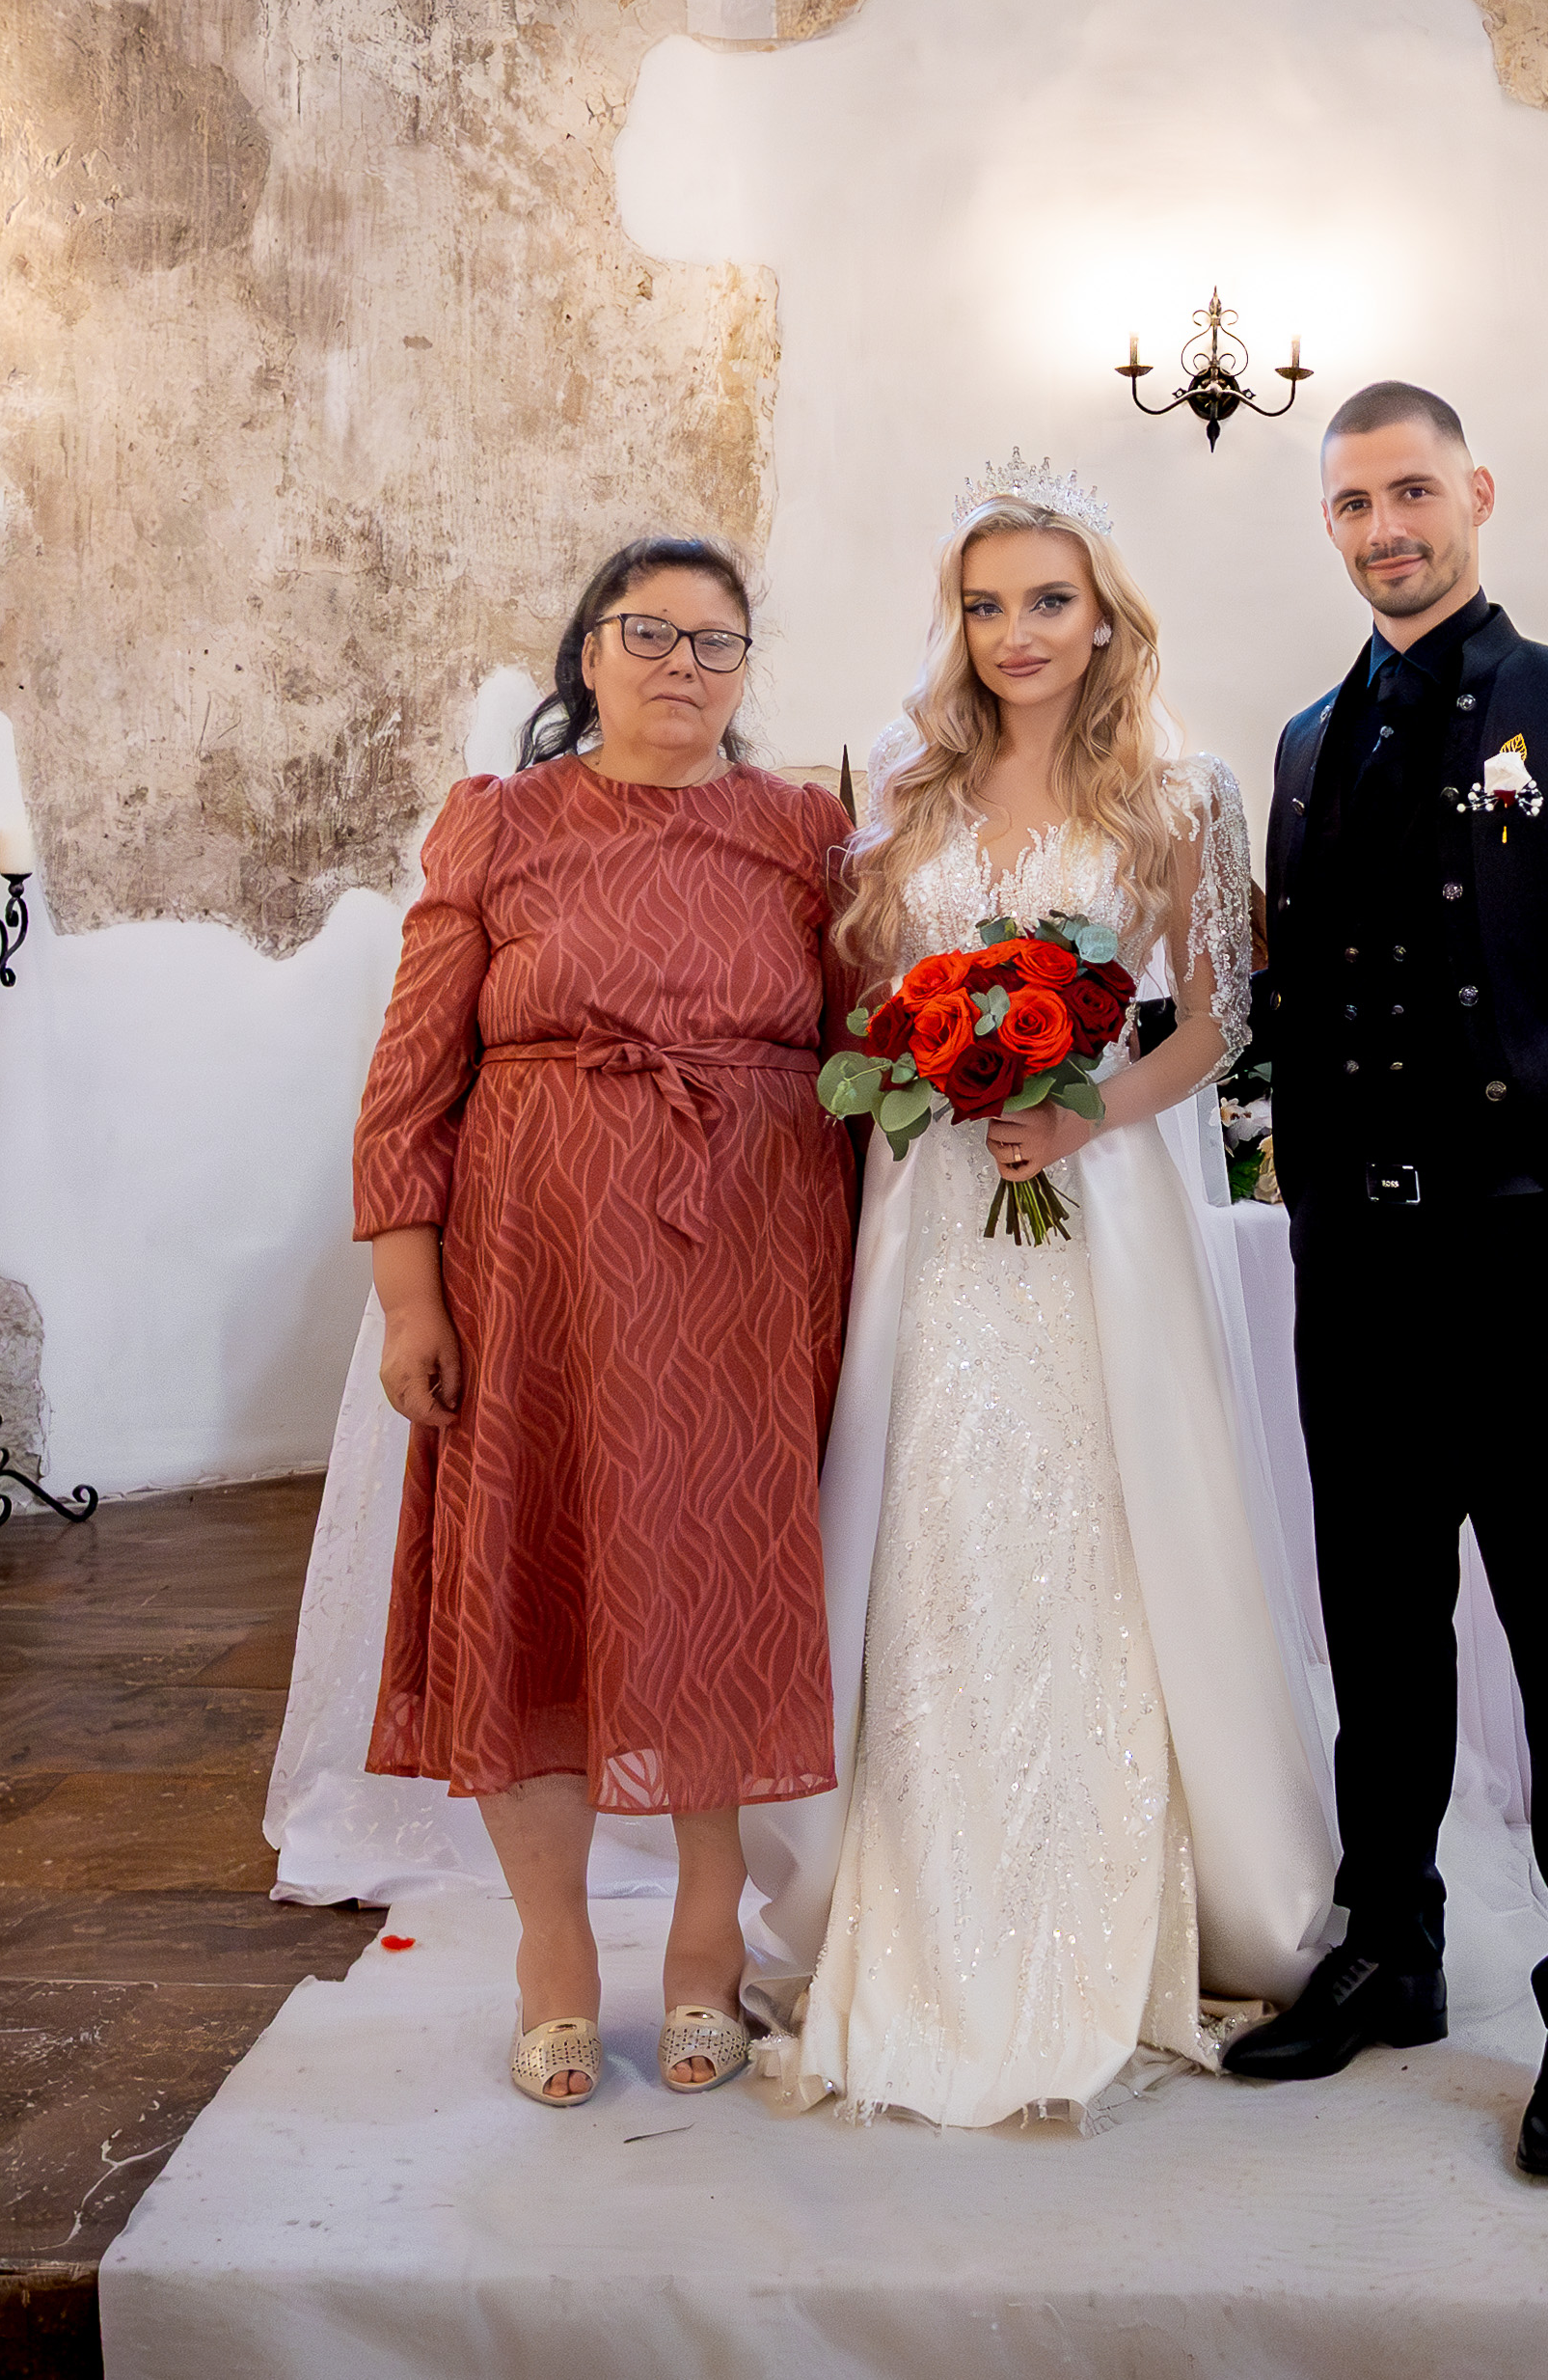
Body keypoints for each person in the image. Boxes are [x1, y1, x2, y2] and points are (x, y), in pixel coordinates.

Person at [745, 454, 1339, 2128]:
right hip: (935, 1202)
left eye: (1050, 601)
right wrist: (930, 1069)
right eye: (988, 604)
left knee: (1100, 1509)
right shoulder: (903, 785)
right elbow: (868, 999)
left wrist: (1086, 1111)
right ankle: (920, 1879)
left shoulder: (1183, 793)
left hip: (1101, 1196)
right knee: (937, 1515)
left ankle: (1122, 1880)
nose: (1018, 632)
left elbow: (1218, 1022)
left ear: (1103, 616)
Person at [1220, 383, 1548, 2181]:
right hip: (1355, 1267)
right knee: (1377, 1627)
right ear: (1330, 525)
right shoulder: (1301, 743)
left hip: (1530, 1263)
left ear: (1475, 493)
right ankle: (1394, 1948)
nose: (1386, 530)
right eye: (1355, 504)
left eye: (1412, 492)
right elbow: (1300, 1003)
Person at [352, 535, 857, 2109]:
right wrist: (410, 1298)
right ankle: (554, 1954)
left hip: (753, 1269)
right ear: (589, 654)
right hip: (541, 1277)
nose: (682, 666)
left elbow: (863, 1060)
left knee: (722, 1588)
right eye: (650, 633)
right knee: (541, 1587)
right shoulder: (498, 824)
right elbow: (409, 1081)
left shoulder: (804, 831)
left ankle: (707, 1939)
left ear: (745, 670)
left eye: (716, 642)